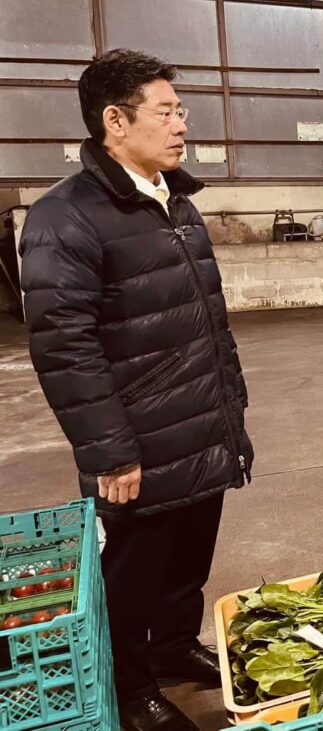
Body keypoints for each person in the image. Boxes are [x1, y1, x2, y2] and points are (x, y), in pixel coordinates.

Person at [18, 49, 253, 731]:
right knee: (131, 575)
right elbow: (64, 346)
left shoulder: (174, 199)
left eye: (181, 110)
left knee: (187, 562)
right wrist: (109, 451)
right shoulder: (66, 216)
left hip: (200, 425)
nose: (182, 124)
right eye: (166, 111)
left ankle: (175, 648)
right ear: (114, 121)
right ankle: (130, 687)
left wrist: (230, 412)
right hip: (138, 444)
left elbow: (206, 320)